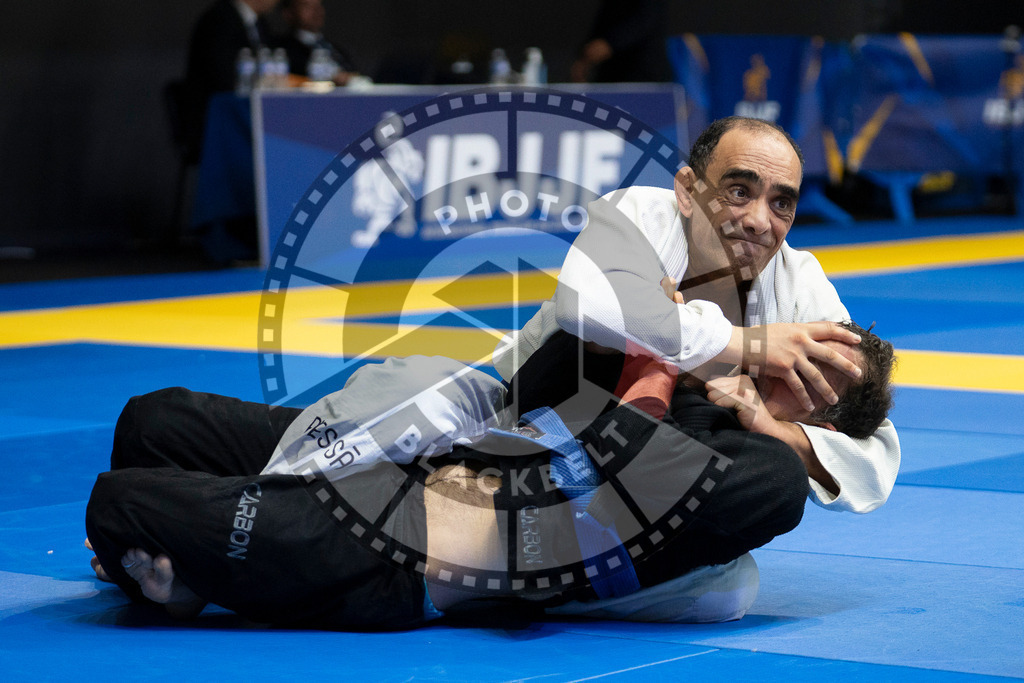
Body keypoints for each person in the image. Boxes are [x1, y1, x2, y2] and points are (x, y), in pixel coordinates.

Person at [85, 319, 894, 629]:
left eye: (814, 381)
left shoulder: (762, 475)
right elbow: (542, 375)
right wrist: (687, 353)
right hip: (412, 434)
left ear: (818, 423)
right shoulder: (694, 344)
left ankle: (201, 575)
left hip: (402, 541)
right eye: (803, 350)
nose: (789, 367)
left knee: (121, 501)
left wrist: (747, 414)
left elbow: (600, 476)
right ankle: (208, 563)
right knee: (148, 419)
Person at [493, 116, 901, 515]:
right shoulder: (640, 213)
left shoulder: (799, 284)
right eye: (739, 191)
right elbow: (587, 306)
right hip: (549, 401)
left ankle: (605, 533)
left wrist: (774, 428)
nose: (760, 222)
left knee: (776, 478)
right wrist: (749, 345)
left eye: (781, 203)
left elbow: (876, 454)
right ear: (688, 190)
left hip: (667, 457)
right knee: (616, 338)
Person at [570, 0, 673, 84]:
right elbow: (603, 21)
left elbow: (645, 18)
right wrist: (585, 57)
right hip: (610, 75)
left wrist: (609, 43)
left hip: (644, 74)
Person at [278, 0, 360, 85]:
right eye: (307, 6)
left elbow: (354, 74)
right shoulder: (282, 49)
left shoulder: (334, 47)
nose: (316, 11)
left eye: (318, 5)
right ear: (288, 13)